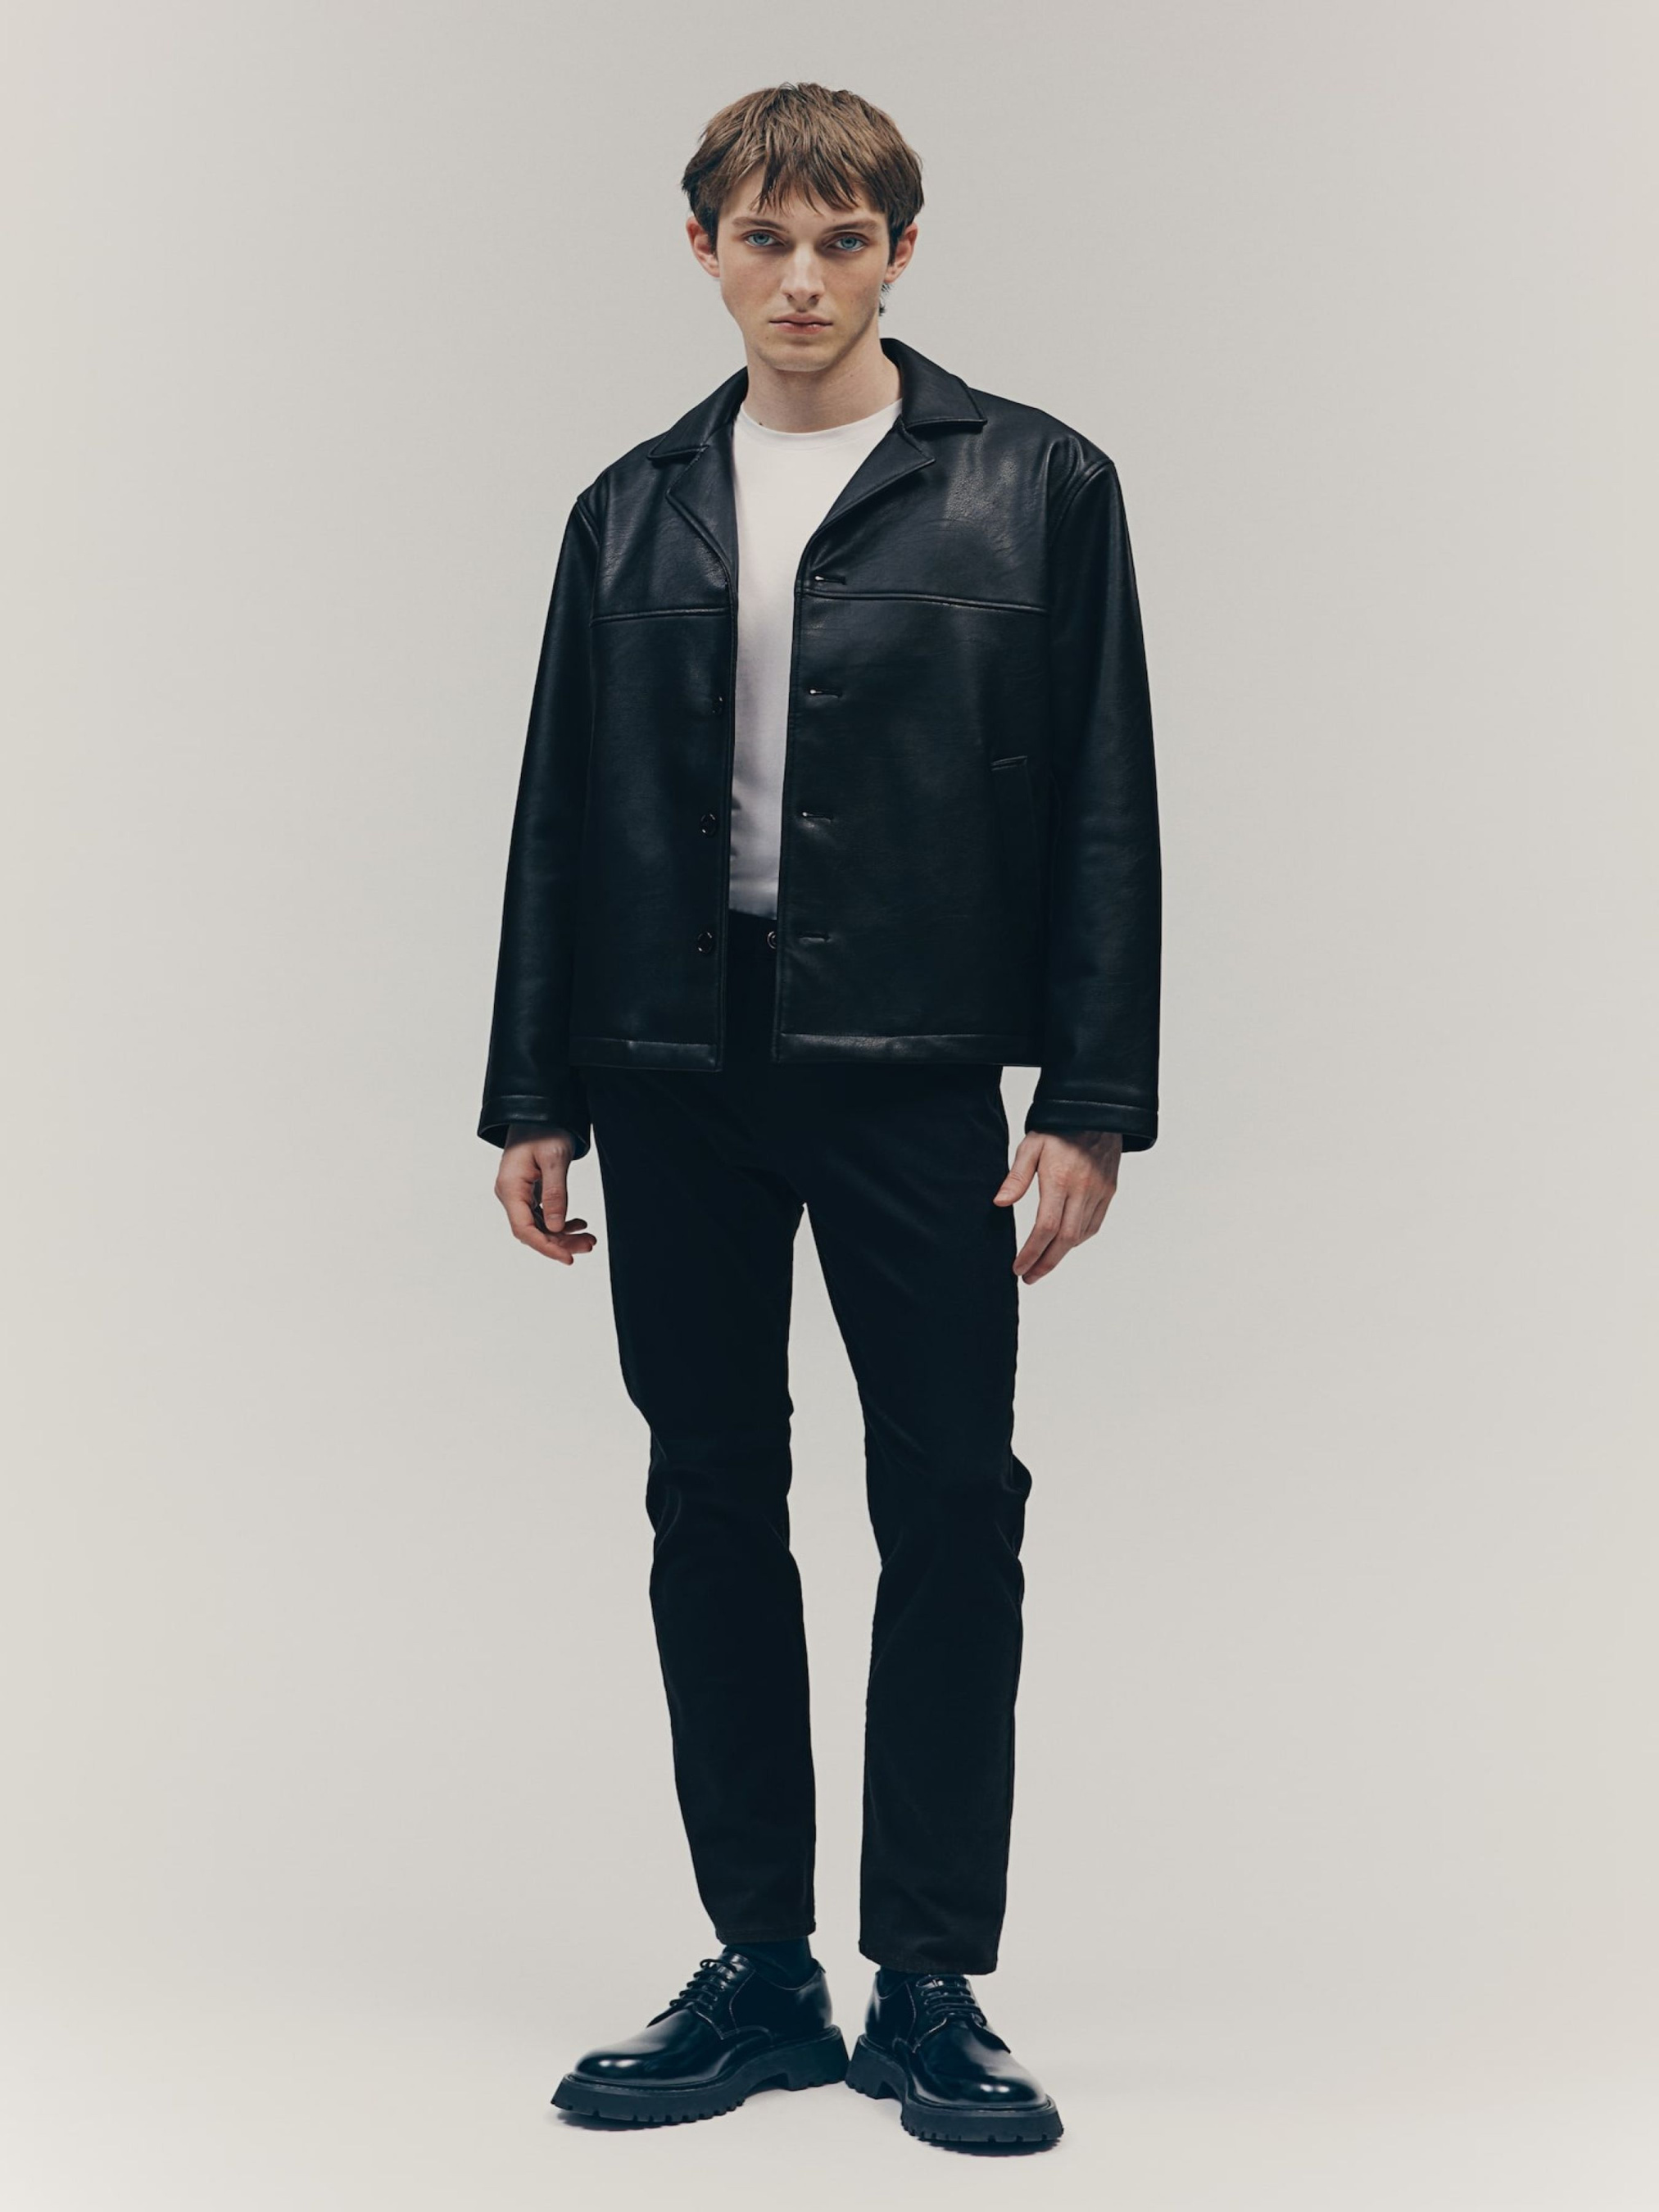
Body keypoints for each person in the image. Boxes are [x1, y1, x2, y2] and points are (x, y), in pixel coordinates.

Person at [478, 80, 1160, 2150]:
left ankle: (927, 1983)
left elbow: (1104, 799)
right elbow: (556, 809)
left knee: (950, 1499)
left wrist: (1088, 1096)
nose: (799, 280)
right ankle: (760, 1970)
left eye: (839, 241)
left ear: (897, 252)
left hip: (912, 1059)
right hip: (667, 1062)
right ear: (702, 251)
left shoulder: (1032, 485)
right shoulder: (630, 507)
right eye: (762, 241)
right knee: (711, 1497)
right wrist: (531, 1089)